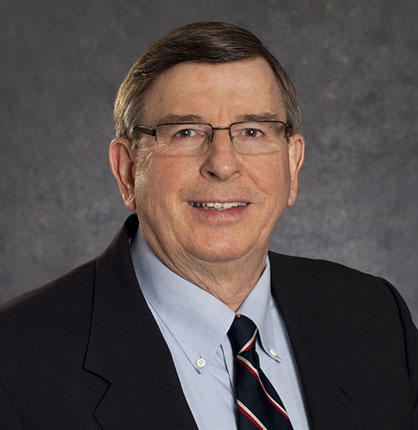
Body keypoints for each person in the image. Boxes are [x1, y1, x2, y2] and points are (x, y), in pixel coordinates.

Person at [1, 21, 417, 430]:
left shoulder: (376, 317)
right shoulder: (16, 359)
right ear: (127, 171)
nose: (222, 163)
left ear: (292, 164)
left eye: (252, 131)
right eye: (186, 132)